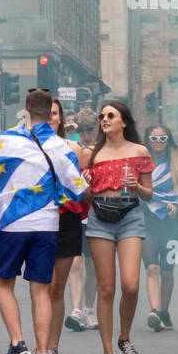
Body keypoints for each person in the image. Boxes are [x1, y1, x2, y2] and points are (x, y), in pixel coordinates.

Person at [0, 89, 87, 354]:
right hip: (47, 226)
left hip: (13, 225)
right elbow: (77, 191)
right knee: (40, 291)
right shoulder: (61, 146)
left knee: (4, 284)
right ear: (50, 110)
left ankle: (17, 343)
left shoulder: (6, 141)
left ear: (26, 108)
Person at [81, 101, 154, 354]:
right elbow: (85, 196)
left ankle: (125, 337)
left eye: (111, 115)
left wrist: (137, 186)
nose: (104, 119)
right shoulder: (91, 153)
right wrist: (87, 187)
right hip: (100, 218)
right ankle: (108, 352)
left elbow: (149, 194)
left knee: (131, 285)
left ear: (124, 121)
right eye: (102, 116)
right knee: (106, 288)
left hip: (130, 216)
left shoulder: (139, 151)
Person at [142, 125, 178, 332]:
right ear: (148, 140)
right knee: (152, 267)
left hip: (170, 223)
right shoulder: (141, 163)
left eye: (163, 138)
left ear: (169, 140)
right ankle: (155, 311)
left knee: (167, 270)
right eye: (154, 138)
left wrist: (177, 205)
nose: (158, 142)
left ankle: (165, 311)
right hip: (147, 220)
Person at [45, 98, 87, 354]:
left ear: (61, 118)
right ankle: (41, 346)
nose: (50, 117)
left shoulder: (72, 148)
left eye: (55, 113)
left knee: (56, 288)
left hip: (67, 220)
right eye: (46, 113)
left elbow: (82, 187)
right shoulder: (27, 147)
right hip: (37, 220)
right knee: (43, 286)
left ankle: (52, 347)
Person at [64, 108, 101, 334]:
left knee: (93, 266)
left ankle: (89, 308)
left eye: (90, 130)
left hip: (96, 214)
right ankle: (76, 310)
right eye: (82, 131)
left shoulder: (102, 152)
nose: (86, 135)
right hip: (76, 212)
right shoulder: (72, 150)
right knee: (75, 263)